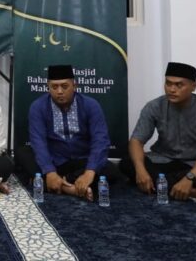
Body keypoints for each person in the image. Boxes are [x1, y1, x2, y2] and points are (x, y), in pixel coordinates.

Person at [120, 62, 196, 205]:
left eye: (179, 85)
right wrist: (140, 171)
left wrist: (189, 178)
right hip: (162, 160)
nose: (172, 89)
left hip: (193, 164)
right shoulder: (154, 106)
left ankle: (166, 185)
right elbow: (136, 141)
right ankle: (193, 192)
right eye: (168, 83)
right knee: (127, 163)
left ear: (194, 86)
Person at [14, 64, 118, 201]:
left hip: (82, 161)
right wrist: (50, 171)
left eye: (64, 86)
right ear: (48, 87)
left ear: (75, 86)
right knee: (23, 153)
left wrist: (89, 172)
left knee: (111, 170)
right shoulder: (38, 107)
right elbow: (38, 142)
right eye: (54, 87)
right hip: (54, 161)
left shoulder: (90, 105)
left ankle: (53, 183)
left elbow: (100, 140)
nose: (59, 91)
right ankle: (70, 188)